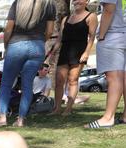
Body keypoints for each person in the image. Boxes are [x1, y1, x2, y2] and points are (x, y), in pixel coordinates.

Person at [0, 0, 56, 128]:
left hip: (16, 45)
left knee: (6, 83)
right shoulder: (49, 5)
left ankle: (2, 117)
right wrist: (40, 41)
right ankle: (21, 119)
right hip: (37, 47)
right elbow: (49, 31)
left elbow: (9, 28)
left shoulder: (18, 4)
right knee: (27, 85)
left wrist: (6, 46)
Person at [50, 0, 98, 115]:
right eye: (75, 0)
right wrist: (52, 53)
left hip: (79, 51)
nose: (77, 1)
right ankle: (57, 108)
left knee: (73, 80)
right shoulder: (65, 19)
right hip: (65, 51)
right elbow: (59, 39)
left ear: (87, 1)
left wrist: (86, 53)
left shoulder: (91, 16)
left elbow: (91, 38)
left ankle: (68, 109)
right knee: (59, 80)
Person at [85, 0, 126, 128]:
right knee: (124, 77)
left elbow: (109, 9)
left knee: (114, 77)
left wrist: (101, 35)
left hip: (113, 35)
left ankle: (108, 118)